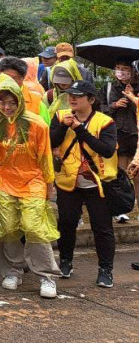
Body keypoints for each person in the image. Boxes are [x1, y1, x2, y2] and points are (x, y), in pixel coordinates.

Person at [0, 77, 60, 297]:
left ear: (19, 100)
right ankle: (12, 270)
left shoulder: (37, 124)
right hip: (3, 180)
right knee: (7, 228)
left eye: (11, 102)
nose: (7, 107)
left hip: (33, 180)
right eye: (2, 102)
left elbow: (45, 157)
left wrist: (49, 186)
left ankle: (47, 276)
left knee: (34, 227)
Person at [50, 80, 117, 287]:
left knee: (102, 227)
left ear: (91, 99)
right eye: (71, 95)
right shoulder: (61, 116)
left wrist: (81, 130)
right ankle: (65, 262)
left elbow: (106, 149)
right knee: (67, 223)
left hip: (97, 182)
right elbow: (50, 142)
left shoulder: (105, 122)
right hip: (68, 181)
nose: (72, 99)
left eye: (78, 96)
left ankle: (106, 270)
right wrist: (63, 127)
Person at [104, 59, 138, 221]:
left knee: (137, 175)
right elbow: (99, 108)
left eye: (125, 69)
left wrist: (132, 97)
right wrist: (114, 105)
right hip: (118, 135)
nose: (121, 72)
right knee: (121, 174)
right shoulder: (109, 88)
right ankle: (120, 210)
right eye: (118, 68)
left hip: (136, 136)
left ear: (132, 71)